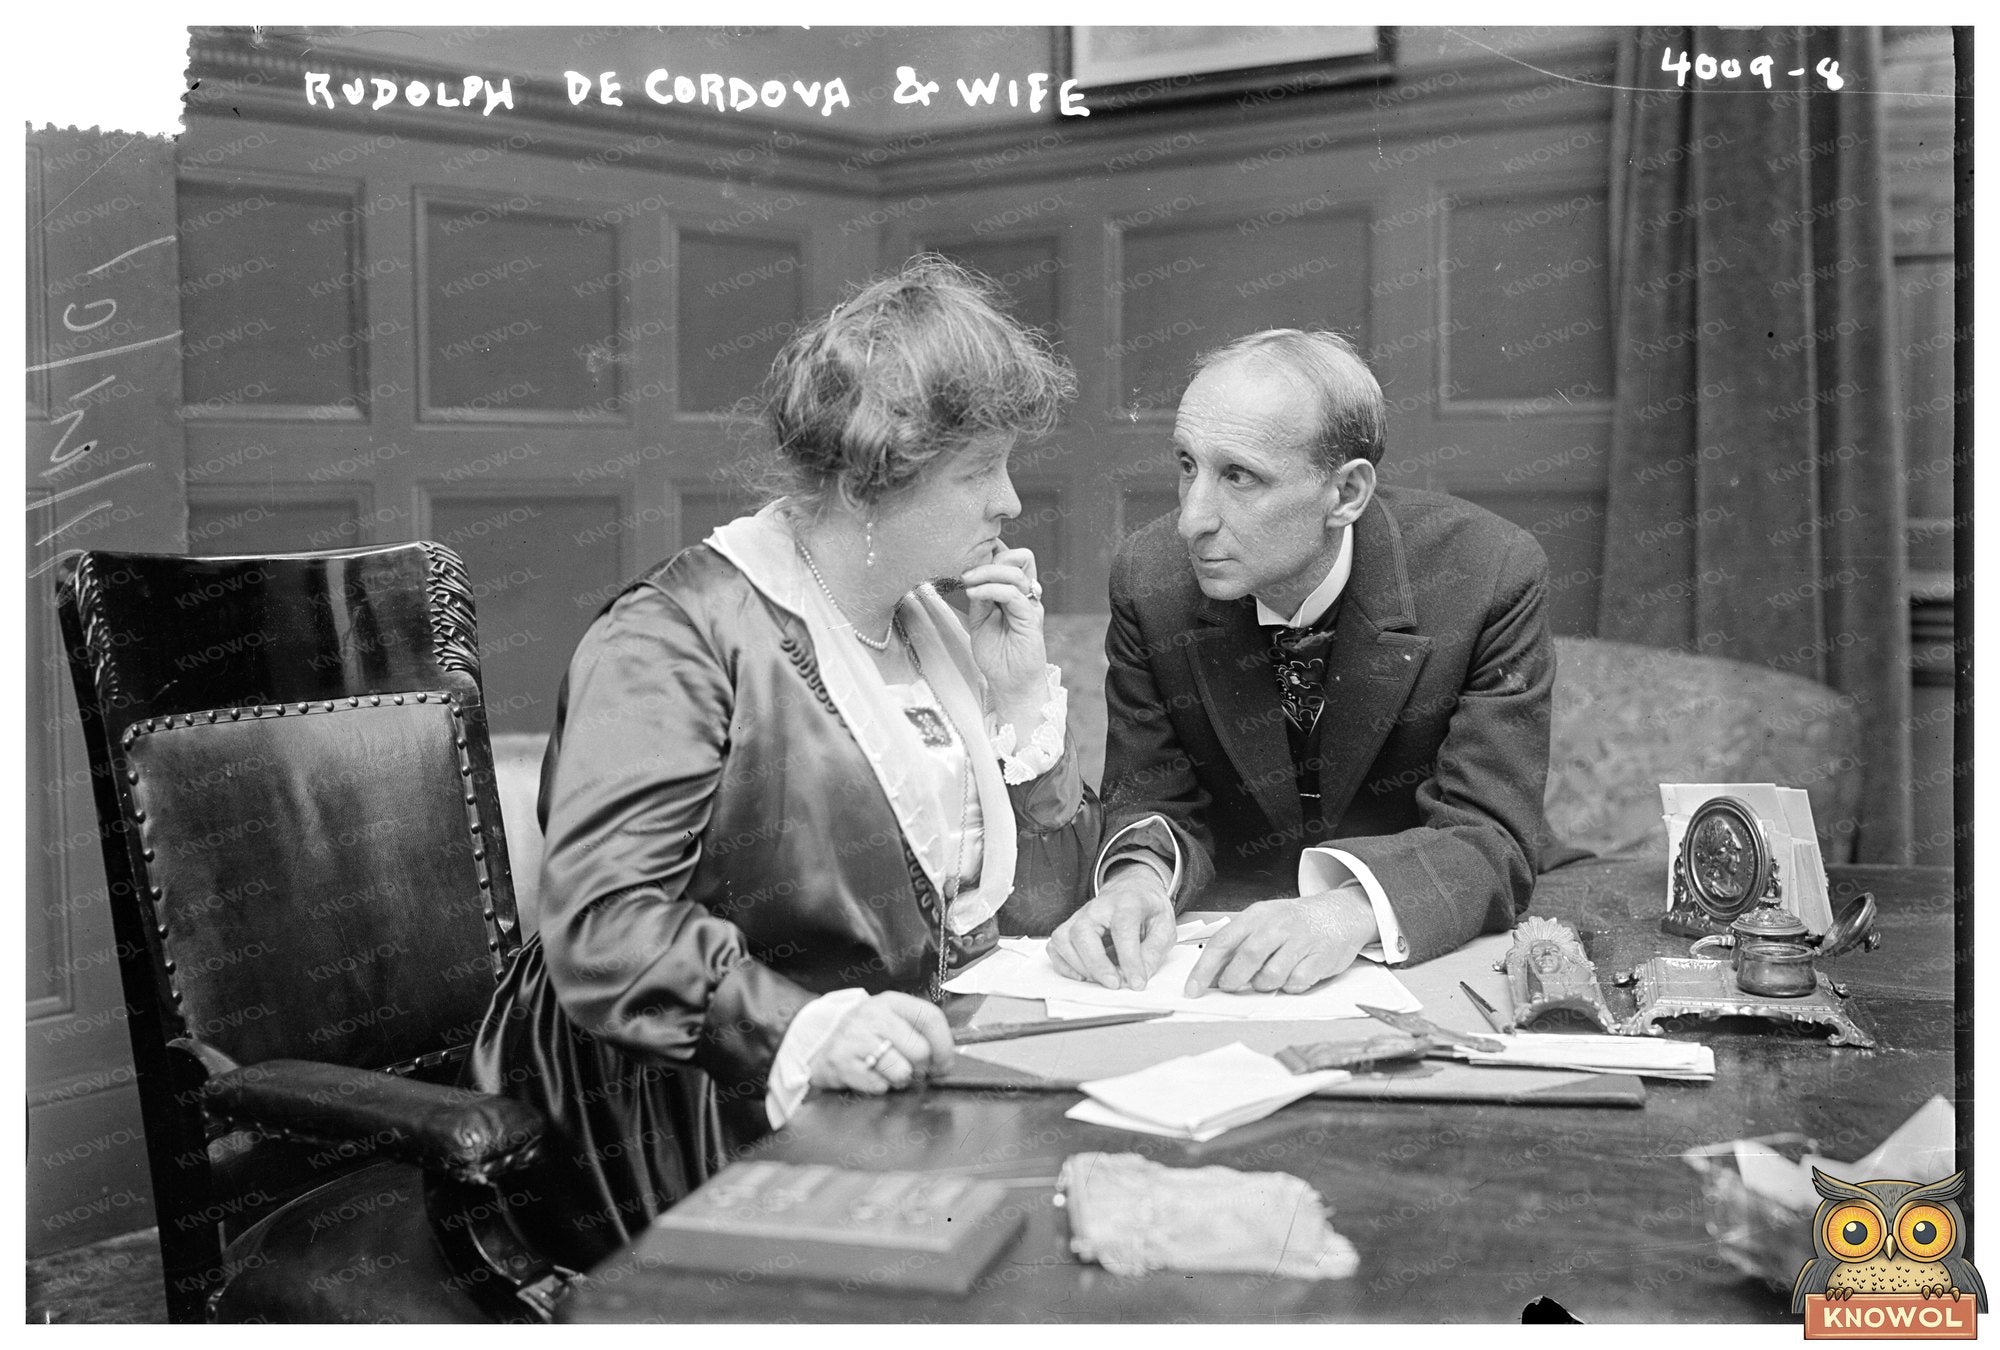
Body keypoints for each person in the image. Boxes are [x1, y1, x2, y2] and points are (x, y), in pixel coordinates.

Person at [469, 257, 1097, 1266]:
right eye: (980, 471)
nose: (1011, 504)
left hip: (902, 1073)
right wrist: (810, 1033)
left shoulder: (929, 626)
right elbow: (600, 925)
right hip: (697, 1099)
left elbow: (1031, 913)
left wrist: (1020, 700)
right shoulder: (673, 638)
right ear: (865, 480)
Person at [1049, 329, 1553, 997]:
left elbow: (1489, 834)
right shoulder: (1152, 582)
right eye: (1186, 465)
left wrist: (1344, 913)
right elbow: (1153, 794)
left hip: (1418, 955)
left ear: (1345, 494)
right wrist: (1137, 879)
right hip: (1217, 974)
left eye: (1239, 476)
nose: (1191, 520)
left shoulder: (1487, 574)